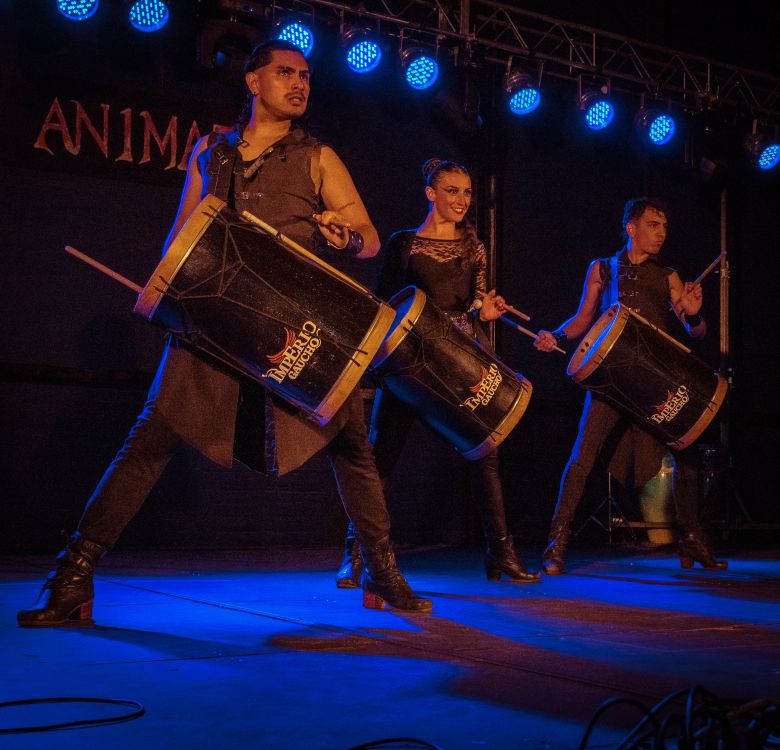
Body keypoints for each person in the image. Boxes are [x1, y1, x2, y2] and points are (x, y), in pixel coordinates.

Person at [18, 40, 432, 627]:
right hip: (217, 322)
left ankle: (382, 573)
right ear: (252, 81)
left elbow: (366, 235)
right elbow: (183, 239)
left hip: (297, 328)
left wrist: (346, 236)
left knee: (351, 445)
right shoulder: (210, 152)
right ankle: (73, 577)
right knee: (151, 438)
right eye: (285, 73)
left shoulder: (319, 157)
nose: (299, 84)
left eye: (306, 76)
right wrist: (169, 297)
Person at [336, 159, 540, 588]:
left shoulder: (473, 248)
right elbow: (384, 303)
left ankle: (500, 553)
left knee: (486, 456)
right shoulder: (404, 243)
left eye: (467, 192)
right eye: (452, 191)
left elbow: (475, 304)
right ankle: (357, 554)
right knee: (380, 457)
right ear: (431, 193)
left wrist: (483, 310)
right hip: (411, 362)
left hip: (461, 359)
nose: (462, 200)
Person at [534, 196, 727, 574]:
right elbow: (582, 320)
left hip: (656, 382)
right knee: (581, 457)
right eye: (654, 225)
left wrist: (694, 313)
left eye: (665, 227)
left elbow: (697, 332)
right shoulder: (602, 269)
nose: (662, 234)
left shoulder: (668, 275)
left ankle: (691, 538)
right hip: (611, 381)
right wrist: (555, 334)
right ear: (631, 228)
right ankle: (557, 542)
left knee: (686, 453)